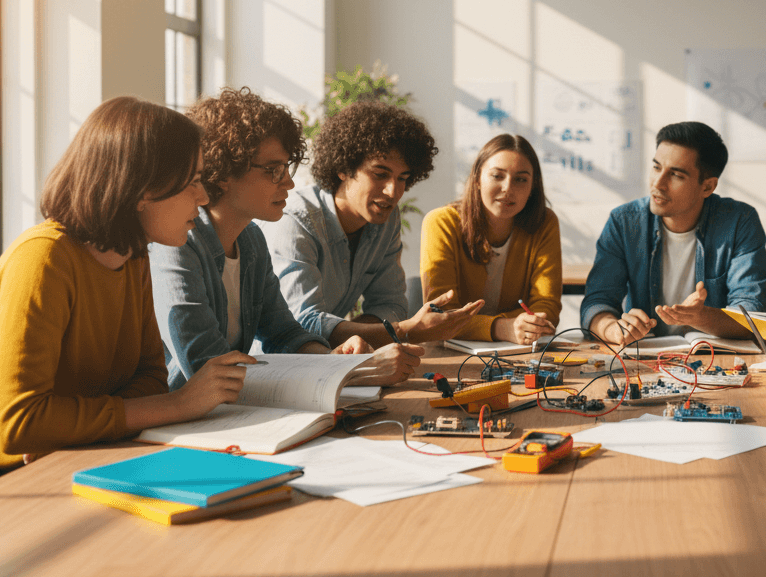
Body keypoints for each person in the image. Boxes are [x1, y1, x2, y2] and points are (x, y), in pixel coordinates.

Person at [0, 97, 252, 524]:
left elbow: (149, 377)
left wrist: (64, 426)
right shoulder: (44, 258)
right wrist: (177, 406)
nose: (204, 195)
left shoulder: (133, 258)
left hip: (53, 462)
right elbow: (20, 424)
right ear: (142, 190)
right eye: (191, 180)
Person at [149, 88, 422, 390]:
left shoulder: (250, 239)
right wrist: (355, 372)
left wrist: (336, 360)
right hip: (182, 424)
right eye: (274, 170)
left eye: (286, 168)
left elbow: (285, 334)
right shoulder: (176, 245)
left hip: (234, 413)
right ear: (224, 169)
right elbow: (205, 366)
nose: (289, 182)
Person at [261, 101, 482, 348]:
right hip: (272, 368)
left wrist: (365, 337)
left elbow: (391, 304)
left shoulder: (385, 220)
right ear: (344, 168)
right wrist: (403, 331)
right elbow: (303, 323)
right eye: (380, 174)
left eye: (403, 179)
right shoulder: (295, 222)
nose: (393, 191)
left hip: (332, 363)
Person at [581, 121, 766, 346]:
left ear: (707, 187)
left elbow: (752, 313)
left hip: (713, 358)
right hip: (646, 359)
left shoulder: (739, 221)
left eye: (676, 175)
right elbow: (597, 302)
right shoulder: (624, 222)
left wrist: (701, 318)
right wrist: (612, 328)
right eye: (656, 167)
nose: (658, 184)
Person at [419, 134, 562, 345]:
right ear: (477, 179)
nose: (508, 188)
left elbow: (546, 307)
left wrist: (519, 327)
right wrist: (501, 327)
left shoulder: (544, 223)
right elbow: (442, 314)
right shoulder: (441, 222)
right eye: (497, 176)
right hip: (448, 351)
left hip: (517, 352)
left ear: (533, 187)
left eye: (521, 179)